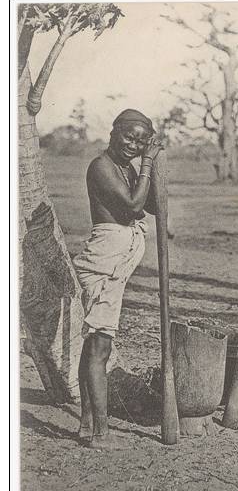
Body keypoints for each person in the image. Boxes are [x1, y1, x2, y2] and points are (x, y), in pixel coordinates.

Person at [73, 109, 162, 449]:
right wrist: (149, 162)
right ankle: (101, 433)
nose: (134, 144)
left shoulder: (127, 167)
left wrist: (147, 164)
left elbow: (151, 203)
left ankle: (87, 424)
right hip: (105, 260)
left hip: (116, 259)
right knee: (100, 345)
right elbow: (133, 205)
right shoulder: (101, 166)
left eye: (142, 141)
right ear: (113, 133)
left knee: (95, 343)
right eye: (129, 136)